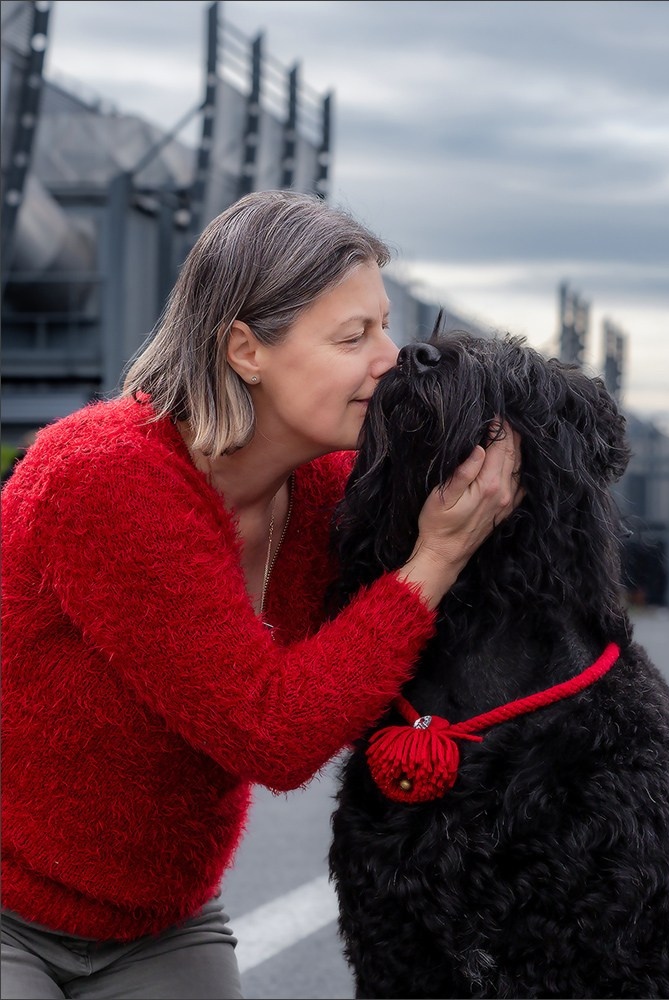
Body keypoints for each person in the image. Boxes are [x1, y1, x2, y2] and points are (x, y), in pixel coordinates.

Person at [0, 190, 521, 1000]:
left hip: (157, 922)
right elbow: (268, 731)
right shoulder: (104, 478)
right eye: (354, 336)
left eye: (384, 324)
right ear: (245, 348)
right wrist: (435, 559)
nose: (389, 357)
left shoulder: (324, 487)